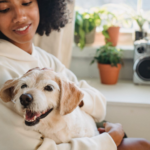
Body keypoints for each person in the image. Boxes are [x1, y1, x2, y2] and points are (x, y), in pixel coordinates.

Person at [0, 0, 149, 150]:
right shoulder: (3, 71)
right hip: (84, 143)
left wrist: (70, 97)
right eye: (4, 9)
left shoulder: (46, 58)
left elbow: (99, 105)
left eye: (26, 3)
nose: (20, 17)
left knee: (143, 144)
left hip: (86, 135)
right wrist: (108, 140)